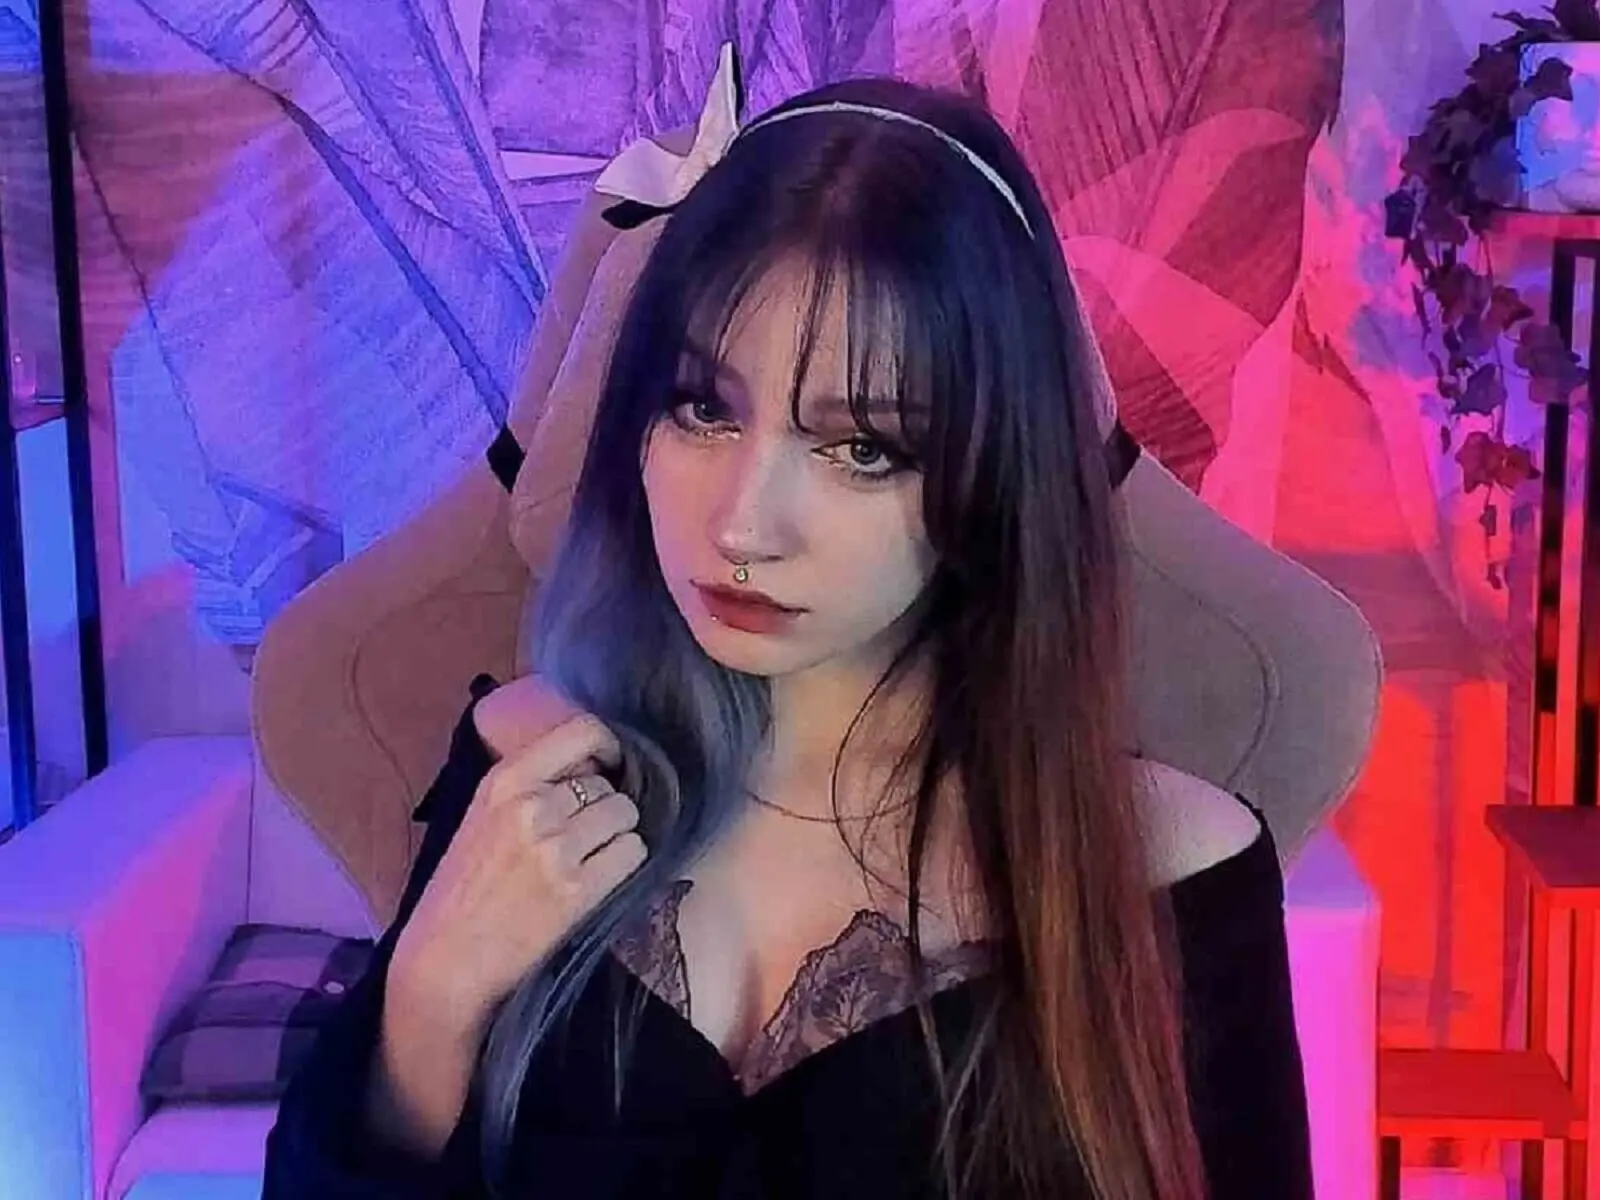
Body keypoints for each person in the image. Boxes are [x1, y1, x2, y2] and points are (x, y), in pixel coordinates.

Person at [262, 52, 1313, 1200]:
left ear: (990, 479)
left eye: (861, 448)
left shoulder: (1165, 872)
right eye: (701, 409)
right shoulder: (529, 766)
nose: (743, 525)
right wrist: (429, 999)